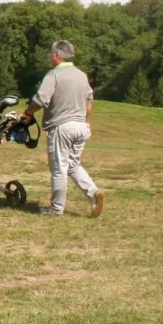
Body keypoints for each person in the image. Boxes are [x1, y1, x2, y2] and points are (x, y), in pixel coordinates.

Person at [19, 40, 105, 218]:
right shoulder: (82, 75)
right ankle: (94, 193)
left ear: (57, 55)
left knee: (59, 168)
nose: (50, 57)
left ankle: (56, 209)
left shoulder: (54, 74)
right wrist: (87, 122)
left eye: (51, 54)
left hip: (62, 127)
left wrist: (27, 113)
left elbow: (41, 99)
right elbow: (89, 101)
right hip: (81, 126)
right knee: (73, 165)